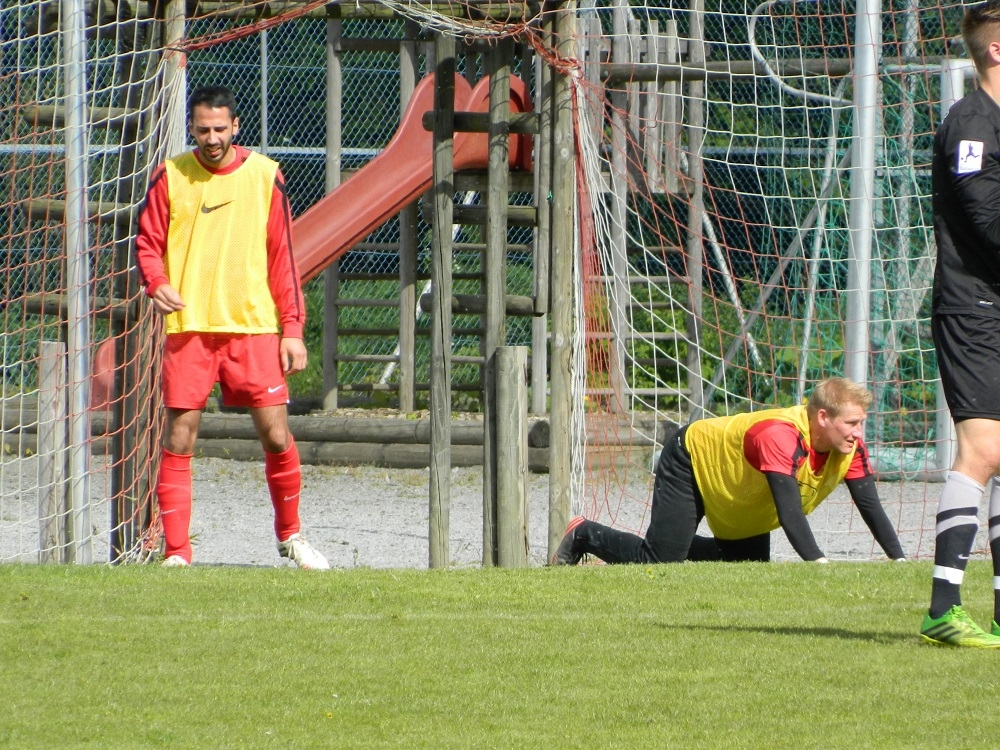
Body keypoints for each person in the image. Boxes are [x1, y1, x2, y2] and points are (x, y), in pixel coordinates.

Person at [135, 85, 329, 570]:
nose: (212, 138)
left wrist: (292, 328)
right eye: (203, 129)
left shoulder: (265, 175)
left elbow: (283, 258)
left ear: (235, 126)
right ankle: (177, 553)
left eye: (220, 129)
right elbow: (147, 243)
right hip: (190, 329)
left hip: (254, 327)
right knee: (180, 437)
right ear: (191, 128)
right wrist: (156, 282)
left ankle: (291, 537)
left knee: (276, 435)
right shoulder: (170, 176)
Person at [553, 377, 905, 568]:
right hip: (690, 457)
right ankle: (583, 533)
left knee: (745, 565)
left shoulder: (850, 447)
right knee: (660, 562)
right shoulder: (780, 435)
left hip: (732, 485)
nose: (859, 432)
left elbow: (870, 505)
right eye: (852, 423)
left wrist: (899, 560)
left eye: (861, 422)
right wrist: (819, 564)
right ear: (823, 417)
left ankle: (670, 539)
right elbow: (789, 512)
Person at [920, 0, 1000, 647]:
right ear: (996, 50)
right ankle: (942, 609)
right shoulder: (971, 123)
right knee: (983, 450)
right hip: (973, 307)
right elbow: (987, 221)